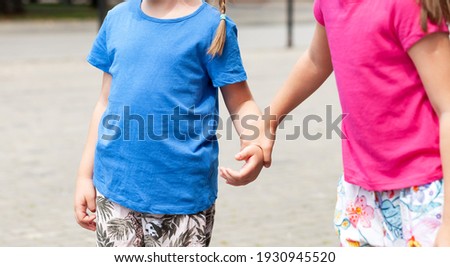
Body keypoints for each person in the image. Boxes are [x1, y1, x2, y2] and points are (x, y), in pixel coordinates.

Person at [74, 0, 264, 247]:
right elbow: (104, 103)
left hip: (181, 198)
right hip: (114, 190)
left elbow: (241, 101)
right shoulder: (117, 18)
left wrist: (255, 144)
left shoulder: (212, 26)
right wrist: (84, 177)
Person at [264, 0, 450, 246]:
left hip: (424, 190)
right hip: (360, 191)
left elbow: (447, 106)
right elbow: (316, 60)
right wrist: (269, 121)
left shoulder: (406, 4)